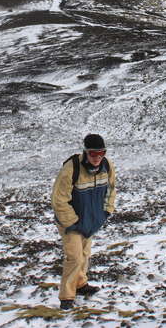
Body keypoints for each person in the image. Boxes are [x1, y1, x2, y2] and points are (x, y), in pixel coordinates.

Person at [50, 133, 117, 310]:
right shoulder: (71, 169)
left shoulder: (107, 166)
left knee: (85, 255)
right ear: (86, 152)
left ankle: (80, 284)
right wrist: (72, 223)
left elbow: (111, 190)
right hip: (70, 223)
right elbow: (59, 200)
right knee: (74, 258)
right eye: (93, 153)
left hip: (91, 220)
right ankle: (67, 296)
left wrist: (105, 212)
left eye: (101, 153)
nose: (97, 157)